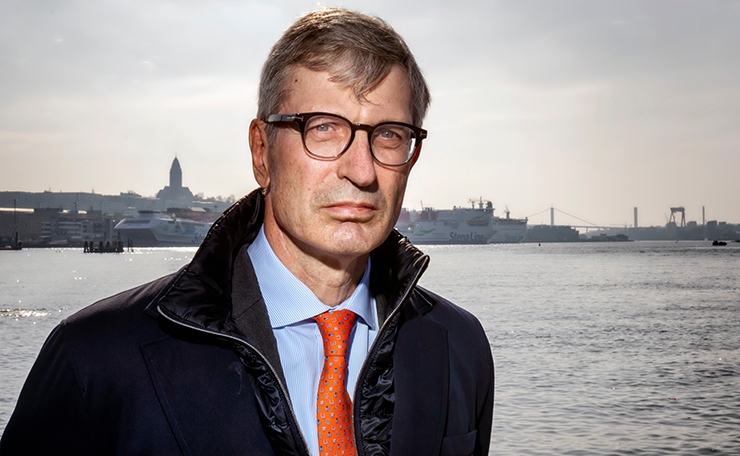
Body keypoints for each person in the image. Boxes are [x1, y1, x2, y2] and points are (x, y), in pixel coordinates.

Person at [0, 8, 494, 456]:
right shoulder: (95, 359)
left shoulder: (461, 347)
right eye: (323, 128)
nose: (361, 171)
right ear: (262, 153)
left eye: (388, 134)